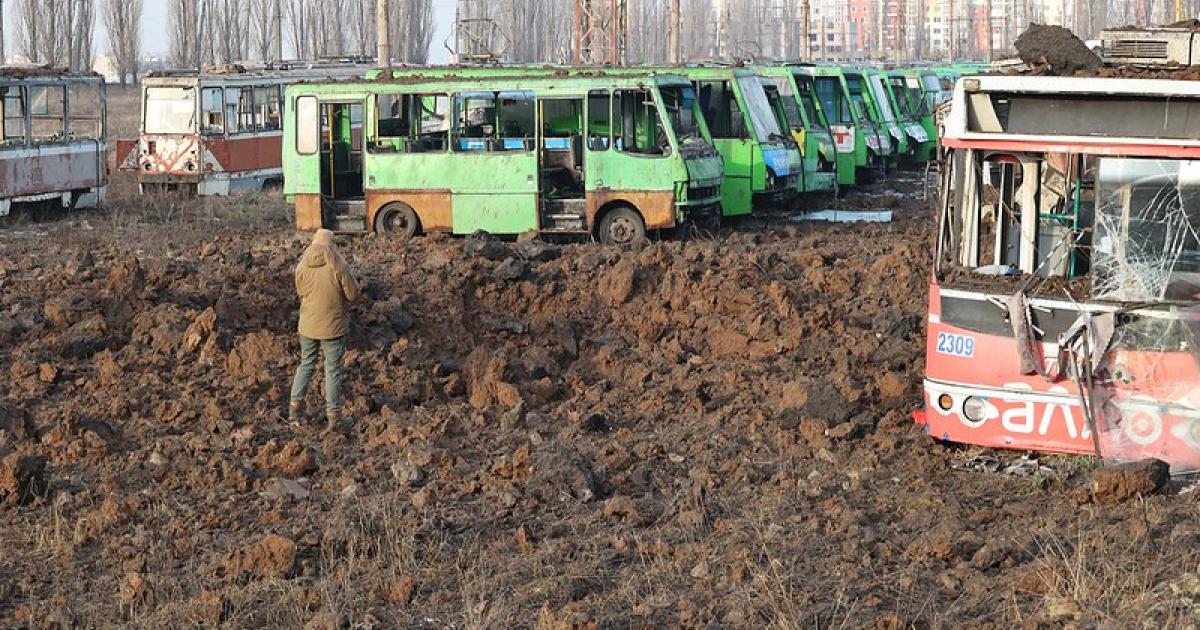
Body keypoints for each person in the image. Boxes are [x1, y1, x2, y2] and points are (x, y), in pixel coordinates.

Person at [289, 229, 359, 429]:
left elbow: (300, 293)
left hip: (307, 326)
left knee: (306, 364)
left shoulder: (302, 266)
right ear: (331, 245)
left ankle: (294, 411)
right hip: (333, 327)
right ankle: (334, 417)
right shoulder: (338, 266)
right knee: (332, 370)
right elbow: (353, 295)